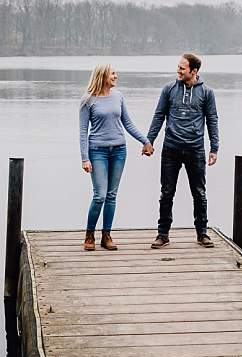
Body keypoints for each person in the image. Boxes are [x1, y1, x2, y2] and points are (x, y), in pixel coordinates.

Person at [143, 52, 220, 248]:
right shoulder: (168, 89)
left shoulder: (207, 93)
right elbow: (159, 116)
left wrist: (214, 148)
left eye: (182, 68)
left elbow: (212, 120)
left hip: (195, 150)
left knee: (199, 193)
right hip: (171, 149)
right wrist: (148, 140)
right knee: (166, 192)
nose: (178, 70)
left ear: (194, 71)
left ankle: (202, 233)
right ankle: (163, 234)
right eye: (178, 67)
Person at [79, 64, 152, 251]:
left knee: (111, 195)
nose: (115, 76)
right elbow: (82, 132)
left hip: (119, 150)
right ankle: (89, 236)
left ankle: (106, 235)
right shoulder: (88, 100)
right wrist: (84, 158)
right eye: (113, 73)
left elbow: (127, 123)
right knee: (99, 195)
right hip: (97, 152)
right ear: (103, 76)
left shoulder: (118, 97)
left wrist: (145, 141)